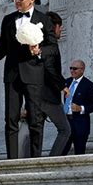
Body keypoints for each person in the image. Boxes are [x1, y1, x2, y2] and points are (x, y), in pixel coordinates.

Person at [0, 0, 56, 159]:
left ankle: (36, 160)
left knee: (36, 119)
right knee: (11, 119)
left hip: (34, 75)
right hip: (12, 75)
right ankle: (12, 161)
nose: (16, 1)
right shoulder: (8, 20)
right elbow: (2, 49)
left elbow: (53, 47)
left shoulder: (44, 20)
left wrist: (39, 51)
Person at [36, 11, 71, 156]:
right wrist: (63, 86)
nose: (61, 29)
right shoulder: (51, 45)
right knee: (65, 130)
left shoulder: (38, 45)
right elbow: (49, 67)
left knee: (37, 132)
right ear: (54, 27)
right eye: (59, 26)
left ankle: (33, 162)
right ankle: (52, 161)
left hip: (36, 94)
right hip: (49, 96)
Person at [62, 60, 93, 155]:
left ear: (82, 70)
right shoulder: (67, 82)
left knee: (79, 152)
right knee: (62, 150)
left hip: (80, 124)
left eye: (75, 69)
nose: (72, 71)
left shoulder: (89, 85)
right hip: (66, 123)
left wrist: (81, 108)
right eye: (71, 68)